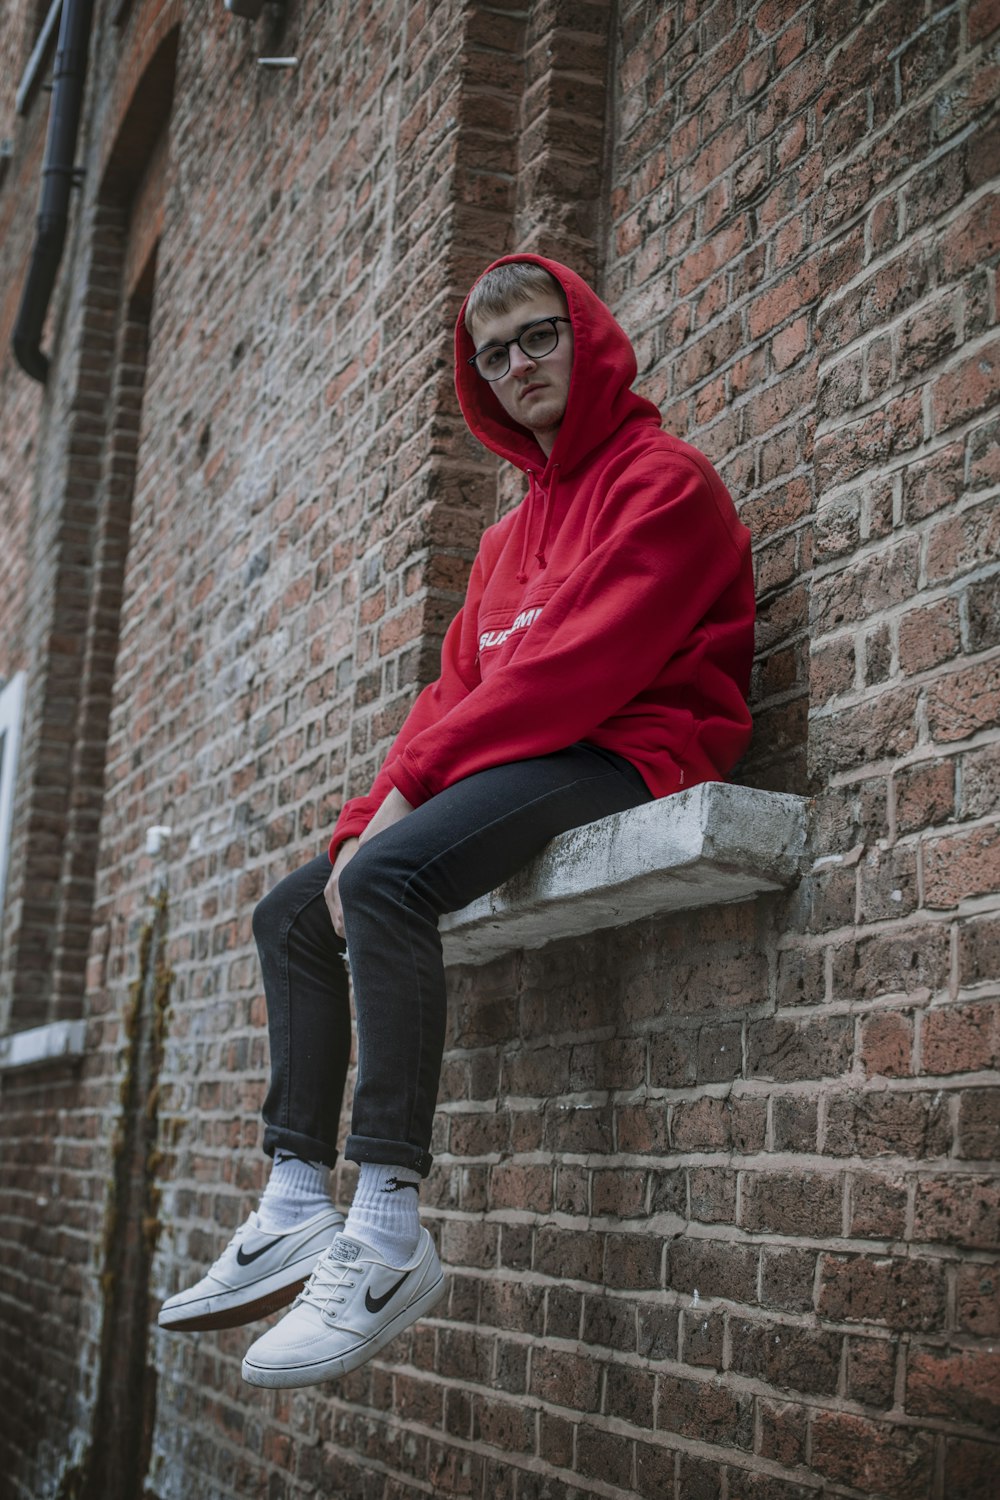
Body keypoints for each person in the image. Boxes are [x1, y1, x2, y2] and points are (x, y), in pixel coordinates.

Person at [158, 254, 755, 1388]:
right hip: (527, 752)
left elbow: (574, 676)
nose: (518, 365)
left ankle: (386, 1227)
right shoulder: (502, 542)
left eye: (538, 337)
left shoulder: (663, 484)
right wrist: (362, 819)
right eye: (493, 354)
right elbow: (452, 699)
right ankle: (293, 1198)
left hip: (636, 747)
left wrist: (391, 824)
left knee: (385, 882)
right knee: (297, 911)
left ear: (587, 339)